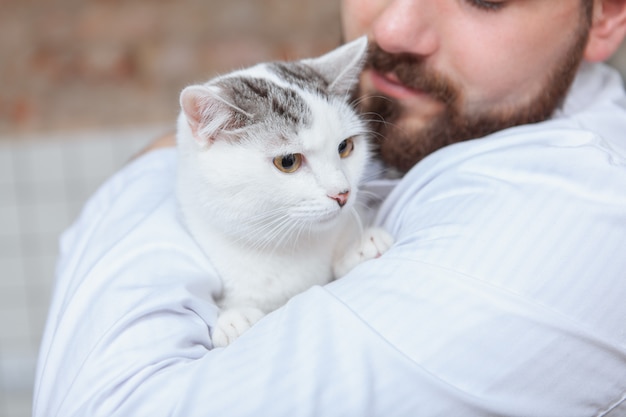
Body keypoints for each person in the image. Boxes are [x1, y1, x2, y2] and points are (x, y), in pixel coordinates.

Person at [33, 1, 626, 416]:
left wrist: (164, 161)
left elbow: (100, 404)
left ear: (604, 14)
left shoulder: (547, 238)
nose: (390, 31)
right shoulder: (447, 127)